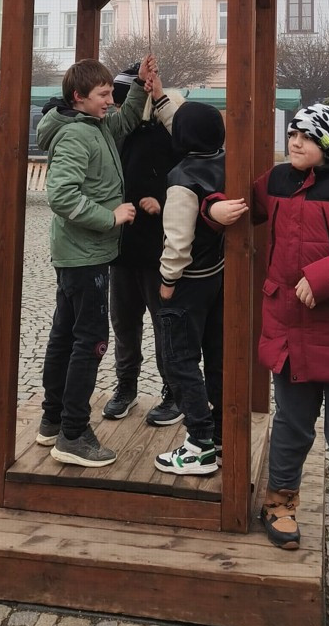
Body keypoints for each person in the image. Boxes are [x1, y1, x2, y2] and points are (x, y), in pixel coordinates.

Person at [207, 103, 329, 617]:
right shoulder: (277, 181)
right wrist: (213, 208)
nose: (295, 142)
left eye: (308, 137)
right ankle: (280, 502)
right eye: (293, 132)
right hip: (290, 331)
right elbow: (238, 199)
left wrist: (321, 276)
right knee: (291, 426)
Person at [35, 54, 155, 468]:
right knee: (90, 342)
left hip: (80, 254)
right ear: (78, 97)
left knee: (64, 335)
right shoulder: (75, 136)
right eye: (103, 94)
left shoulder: (93, 124)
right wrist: (111, 217)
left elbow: (124, 122)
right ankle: (73, 433)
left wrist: (139, 83)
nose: (110, 101)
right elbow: (61, 196)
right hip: (84, 256)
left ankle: (52, 420)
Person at [153, 103, 245, 477]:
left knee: (179, 360)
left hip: (188, 282)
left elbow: (178, 241)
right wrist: (161, 100)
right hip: (216, 275)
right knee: (216, 355)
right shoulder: (226, 162)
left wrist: (167, 281)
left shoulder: (181, 179)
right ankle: (220, 435)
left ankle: (199, 445)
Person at [103, 65, 183, 428]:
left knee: (165, 322)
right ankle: (126, 386)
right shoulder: (115, 130)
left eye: (123, 101)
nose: (118, 107)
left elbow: (188, 173)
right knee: (123, 322)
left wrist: (162, 202)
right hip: (122, 245)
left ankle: (175, 391)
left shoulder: (168, 127)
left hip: (160, 246)